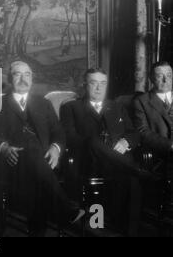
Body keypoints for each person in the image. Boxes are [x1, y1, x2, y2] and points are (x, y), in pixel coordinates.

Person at [0, 61, 83, 236]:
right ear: (9, 78)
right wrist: (4, 148)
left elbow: (58, 132)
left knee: (36, 157)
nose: (23, 79)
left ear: (32, 78)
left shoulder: (43, 103)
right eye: (17, 74)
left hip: (45, 161)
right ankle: (65, 210)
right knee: (31, 149)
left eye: (27, 74)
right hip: (11, 163)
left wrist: (55, 148)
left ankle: (38, 230)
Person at [60, 68, 143, 236]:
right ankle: (140, 171)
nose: (98, 88)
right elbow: (69, 137)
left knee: (132, 179)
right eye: (93, 83)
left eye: (103, 84)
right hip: (88, 162)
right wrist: (93, 145)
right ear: (85, 85)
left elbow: (133, 132)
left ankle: (129, 232)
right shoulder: (71, 107)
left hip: (117, 163)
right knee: (92, 141)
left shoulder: (116, 106)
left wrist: (125, 141)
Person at [133, 62, 173, 158]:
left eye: (169, 75)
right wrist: (170, 145)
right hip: (161, 155)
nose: (165, 80)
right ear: (151, 79)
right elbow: (143, 131)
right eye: (160, 76)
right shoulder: (141, 101)